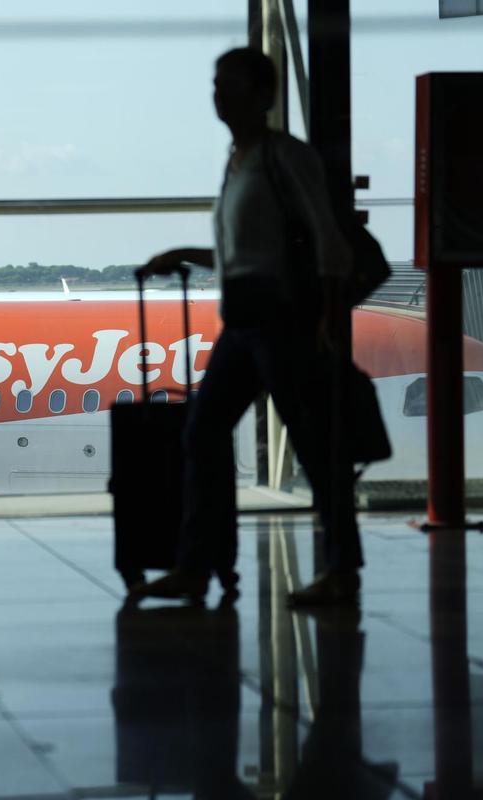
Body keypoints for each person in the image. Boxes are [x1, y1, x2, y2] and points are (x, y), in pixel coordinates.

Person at [135, 47, 362, 606]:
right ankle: (196, 565)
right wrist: (183, 253)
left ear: (263, 96)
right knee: (203, 435)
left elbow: (331, 243)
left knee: (311, 447)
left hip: (282, 321)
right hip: (244, 322)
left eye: (230, 85)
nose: (219, 95)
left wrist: (330, 318)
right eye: (216, 85)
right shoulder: (238, 160)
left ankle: (341, 569)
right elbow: (246, 250)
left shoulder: (285, 158)